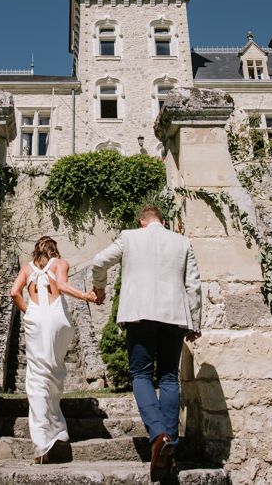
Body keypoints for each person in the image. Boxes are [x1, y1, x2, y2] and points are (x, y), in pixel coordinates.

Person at [90, 205, 202, 483]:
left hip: (139, 315)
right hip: (174, 316)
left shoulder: (129, 237)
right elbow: (194, 285)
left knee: (141, 375)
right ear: (163, 221)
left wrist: (100, 288)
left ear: (142, 221)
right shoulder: (182, 242)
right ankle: (170, 444)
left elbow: (98, 262)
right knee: (168, 378)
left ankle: (158, 434)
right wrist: (195, 321)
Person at [10, 236, 98, 463]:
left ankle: (43, 441)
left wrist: (28, 311)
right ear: (54, 250)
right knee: (54, 372)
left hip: (36, 317)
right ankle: (57, 428)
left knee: (36, 377)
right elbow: (61, 285)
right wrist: (85, 295)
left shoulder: (26, 269)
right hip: (58, 320)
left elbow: (14, 293)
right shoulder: (61, 263)